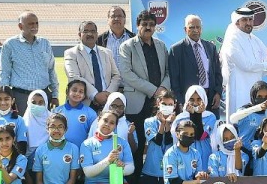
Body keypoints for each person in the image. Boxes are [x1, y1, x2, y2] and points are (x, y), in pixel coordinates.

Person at [118, 10, 171, 170]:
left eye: (151, 25)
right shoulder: (127, 46)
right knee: (138, 142)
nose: (148, 27)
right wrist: (154, 90)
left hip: (159, 102)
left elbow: (168, 72)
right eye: (144, 24)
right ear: (137, 26)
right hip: (137, 103)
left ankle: (157, 176)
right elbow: (126, 74)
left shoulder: (161, 46)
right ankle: (137, 180)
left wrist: (162, 89)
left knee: (159, 140)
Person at [220, 7, 267, 115]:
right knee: (240, 119)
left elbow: (261, 65)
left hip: (257, 92)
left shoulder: (254, 40)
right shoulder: (232, 40)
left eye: (250, 19)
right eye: (244, 20)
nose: (248, 23)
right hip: (239, 90)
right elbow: (246, 65)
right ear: (237, 22)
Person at [0, 12, 60, 115]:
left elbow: (51, 70)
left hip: (43, 95)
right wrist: (4, 98)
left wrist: (55, 95)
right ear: (20, 26)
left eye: (36, 23)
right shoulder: (10, 44)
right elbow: (4, 72)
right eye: (31, 24)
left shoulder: (45, 43)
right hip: (21, 97)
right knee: (22, 124)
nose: (35, 26)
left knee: (45, 124)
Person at [80, 112, 138, 184]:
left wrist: (121, 169)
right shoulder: (87, 144)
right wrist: (107, 160)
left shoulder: (122, 142)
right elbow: (88, 172)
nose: (107, 124)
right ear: (98, 121)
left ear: (115, 126)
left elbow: (131, 167)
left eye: (112, 123)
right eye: (105, 120)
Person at [31, 113, 80, 184]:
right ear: (47, 129)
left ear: (65, 129)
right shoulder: (40, 150)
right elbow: (38, 180)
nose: (56, 130)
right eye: (52, 126)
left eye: (60, 127)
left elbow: (72, 179)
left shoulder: (73, 148)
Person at [167, 15, 223, 113]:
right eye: (192, 27)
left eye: (198, 27)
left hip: (210, 99)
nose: (195, 30)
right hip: (189, 101)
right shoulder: (176, 50)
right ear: (185, 29)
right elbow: (174, 79)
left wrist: (218, 93)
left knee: (209, 122)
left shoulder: (210, 47)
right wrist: (180, 102)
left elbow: (217, 72)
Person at [64, 21, 121, 109]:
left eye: (93, 31)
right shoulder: (71, 53)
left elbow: (116, 75)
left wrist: (108, 94)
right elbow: (74, 77)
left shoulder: (107, 53)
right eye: (86, 31)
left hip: (107, 102)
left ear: (97, 34)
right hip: (83, 103)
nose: (90, 34)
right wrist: (95, 95)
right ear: (79, 34)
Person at [139, 90, 177, 184]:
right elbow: (157, 141)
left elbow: (169, 140)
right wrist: (162, 124)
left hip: (169, 170)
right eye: (164, 104)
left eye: (170, 105)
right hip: (151, 168)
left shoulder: (177, 123)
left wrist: (168, 123)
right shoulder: (149, 121)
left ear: (174, 106)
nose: (167, 107)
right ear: (158, 103)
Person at [178, 85, 218, 169]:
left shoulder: (210, 116)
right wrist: (192, 114)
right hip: (186, 155)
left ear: (204, 99)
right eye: (192, 100)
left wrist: (196, 115)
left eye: (199, 99)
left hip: (204, 155)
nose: (195, 103)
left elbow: (200, 136)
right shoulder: (181, 118)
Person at [228, 82, 267, 148]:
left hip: (260, 151)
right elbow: (232, 119)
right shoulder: (245, 110)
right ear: (253, 96)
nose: (263, 100)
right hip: (242, 151)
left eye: (266, 97)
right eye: (259, 96)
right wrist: (257, 108)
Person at [55, 79, 97, 148]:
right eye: (74, 90)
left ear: (84, 95)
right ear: (67, 92)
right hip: (60, 149)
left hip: (82, 149)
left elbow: (93, 133)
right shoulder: (57, 111)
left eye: (81, 92)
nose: (77, 93)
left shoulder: (90, 113)